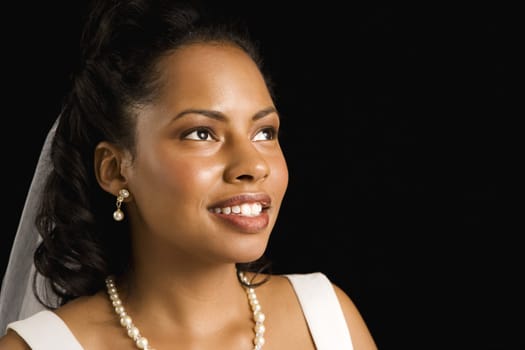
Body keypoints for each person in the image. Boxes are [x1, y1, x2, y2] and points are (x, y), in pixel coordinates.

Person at [0, 0, 377, 349]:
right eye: (201, 133)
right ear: (114, 170)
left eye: (264, 133)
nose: (253, 166)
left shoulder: (327, 319)